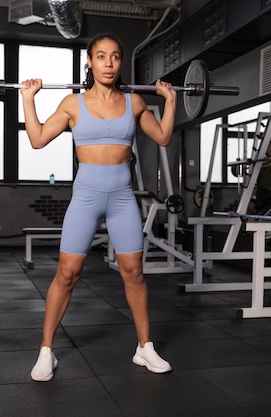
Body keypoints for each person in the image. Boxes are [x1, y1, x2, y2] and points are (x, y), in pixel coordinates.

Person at [20, 32, 176, 382]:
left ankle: (144, 347)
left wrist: (170, 100)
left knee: (134, 273)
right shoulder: (73, 104)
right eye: (101, 56)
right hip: (86, 197)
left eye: (115, 56)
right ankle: (46, 351)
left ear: (120, 63)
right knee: (66, 273)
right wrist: (28, 99)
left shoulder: (134, 102)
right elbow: (37, 138)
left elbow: (163, 136)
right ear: (89, 62)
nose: (108, 63)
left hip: (122, 197)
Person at [247, 140, 271, 214]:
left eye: (267, 147)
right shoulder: (263, 160)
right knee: (249, 207)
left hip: (267, 190)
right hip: (260, 189)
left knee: (251, 206)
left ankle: (256, 220)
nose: (265, 149)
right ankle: (255, 220)